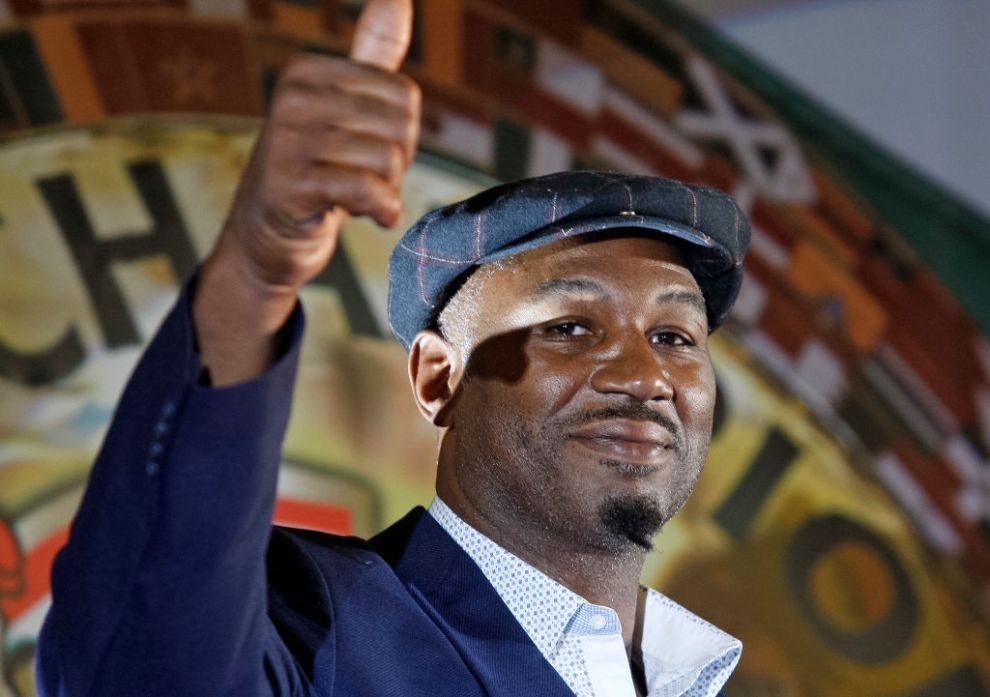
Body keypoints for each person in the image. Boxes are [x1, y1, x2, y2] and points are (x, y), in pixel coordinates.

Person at [36, 1, 748, 695]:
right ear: (439, 377)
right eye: (569, 326)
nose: (643, 374)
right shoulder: (304, 623)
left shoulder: (698, 672)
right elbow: (149, 651)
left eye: (673, 336)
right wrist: (254, 272)